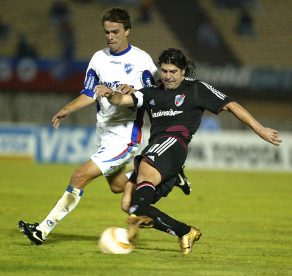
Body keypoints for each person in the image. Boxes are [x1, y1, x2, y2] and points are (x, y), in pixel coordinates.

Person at [18, 8, 190, 246]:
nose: (110, 36)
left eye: (116, 31)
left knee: (79, 175)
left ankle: (42, 230)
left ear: (127, 30)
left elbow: (153, 94)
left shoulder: (141, 61)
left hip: (125, 136)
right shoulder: (99, 58)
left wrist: (135, 91)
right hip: (105, 136)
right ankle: (169, 176)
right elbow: (89, 93)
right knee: (118, 186)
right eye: (107, 32)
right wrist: (67, 108)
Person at [95, 48, 282, 254]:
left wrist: (260, 129)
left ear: (183, 71)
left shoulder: (196, 89)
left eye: (173, 71)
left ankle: (138, 218)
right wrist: (110, 93)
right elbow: (122, 100)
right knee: (128, 203)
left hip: (174, 143)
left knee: (145, 172)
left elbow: (231, 105)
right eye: (164, 71)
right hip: (158, 146)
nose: (167, 76)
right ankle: (184, 231)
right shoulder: (151, 92)